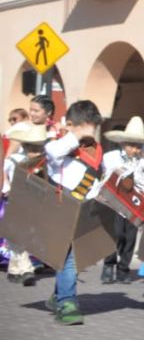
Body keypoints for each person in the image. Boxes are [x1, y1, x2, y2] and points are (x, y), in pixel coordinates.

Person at [43, 100, 106, 326]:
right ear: (71, 125)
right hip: (62, 209)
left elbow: (97, 180)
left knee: (72, 258)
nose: (92, 135)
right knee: (67, 258)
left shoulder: (95, 151)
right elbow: (52, 152)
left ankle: (58, 295)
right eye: (88, 128)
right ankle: (67, 302)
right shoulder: (58, 147)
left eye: (94, 129)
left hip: (85, 211)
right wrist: (74, 135)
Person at [99, 116, 144, 284]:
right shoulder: (111, 157)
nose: (135, 149)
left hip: (133, 204)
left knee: (130, 236)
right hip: (114, 203)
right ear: (122, 143)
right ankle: (109, 264)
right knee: (116, 233)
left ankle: (123, 268)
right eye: (131, 145)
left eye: (138, 146)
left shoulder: (142, 162)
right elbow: (111, 175)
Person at [3, 122, 51, 285]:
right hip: (16, 202)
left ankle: (14, 270)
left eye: (39, 148)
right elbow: (5, 178)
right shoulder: (14, 160)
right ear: (24, 146)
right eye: (32, 148)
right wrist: (7, 187)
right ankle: (26, 269)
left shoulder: (45, 162)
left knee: (24, 236)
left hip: (36, 204)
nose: (36, 152)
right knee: (19, 235)